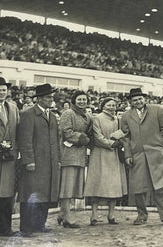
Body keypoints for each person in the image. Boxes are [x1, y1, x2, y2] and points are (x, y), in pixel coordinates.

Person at [120, 88, 163, 227]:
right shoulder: (125, 116)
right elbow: (125, 138)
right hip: (137, 155)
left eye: (140, 99)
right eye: (134, 100)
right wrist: (127, 155)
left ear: (145, 99)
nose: (138, 101)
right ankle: (142, 215)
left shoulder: (157, 110)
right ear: (130, 102)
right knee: (138, 188)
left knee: (160, 186)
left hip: (156, 154)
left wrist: (159, 143)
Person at [18, 83, 60, 236]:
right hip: (35, 162)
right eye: (48, 97)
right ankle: (27, 227)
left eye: (51, 97)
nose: (51, 99)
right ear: (39, 99)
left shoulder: (53, 116)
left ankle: (39, 224)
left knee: (45, 194)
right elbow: (25, 140)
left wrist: (58, 159)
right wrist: (29, 160)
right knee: (30, 194)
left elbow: (56, 140)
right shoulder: (28, 114)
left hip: (49, 163)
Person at [84, 97, 127, 225]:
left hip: (114, 156)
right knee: (97, 184)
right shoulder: (97, 118)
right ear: (103, 106)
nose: (112, 107)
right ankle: (94, 215)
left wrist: (120, 141)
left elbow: (122, 134)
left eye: (114, 105)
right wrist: (111, 143)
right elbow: (97, 137)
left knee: (114, 186)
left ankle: (111, 215)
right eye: (109, 105)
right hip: (100, 154)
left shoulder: (118, 120)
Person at [57, 90, 92, 228]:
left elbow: (89, 133)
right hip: (69, 154)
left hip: (80, 154)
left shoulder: (87, 116)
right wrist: (82, 138)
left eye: (84, 99)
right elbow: (66, 132)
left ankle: (61, 213)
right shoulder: (68, 113)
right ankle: (66, 216)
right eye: (79, 99)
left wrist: (87, 139)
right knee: (67, 186)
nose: (82, 102)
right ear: (74, 101)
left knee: (73, 186)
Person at [0, 77, 19, 236]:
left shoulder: (13, 108)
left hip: (9, 157)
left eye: (3, 90)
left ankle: (5, 228)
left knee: (6, 193)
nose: (1, 92)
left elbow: (17, 131)